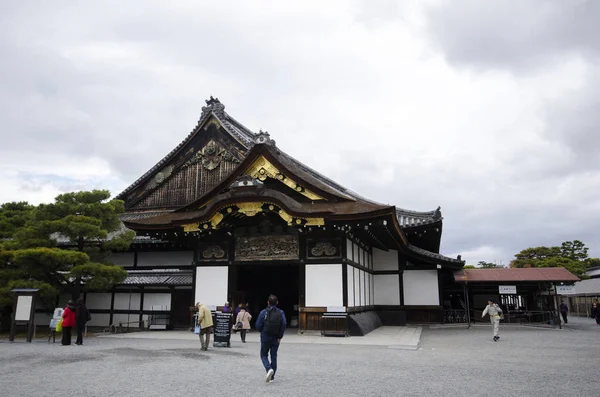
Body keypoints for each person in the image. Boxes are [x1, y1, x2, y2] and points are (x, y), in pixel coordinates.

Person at [255, 294, 287, 383]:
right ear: (277, 302)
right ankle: (272, 377)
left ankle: (268, 369)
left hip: (265, 336)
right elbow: (284, 324)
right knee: (274, 356)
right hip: (276, 337)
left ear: (268, 302)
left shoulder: (263, 312)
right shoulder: (281, 313)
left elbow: (257, 325)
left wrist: (262, 331)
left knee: (263, 354)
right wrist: (280, 336)